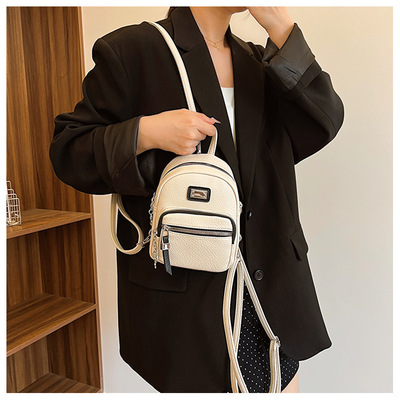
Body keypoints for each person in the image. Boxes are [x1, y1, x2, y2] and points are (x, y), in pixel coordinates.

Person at [50, 6, 344, 393]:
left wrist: (281, 26)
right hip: (187, 309)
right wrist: (146, 132)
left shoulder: (260, 60)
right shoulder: (134, 50)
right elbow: (69, 151)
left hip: (272, 299)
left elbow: (325, 120)